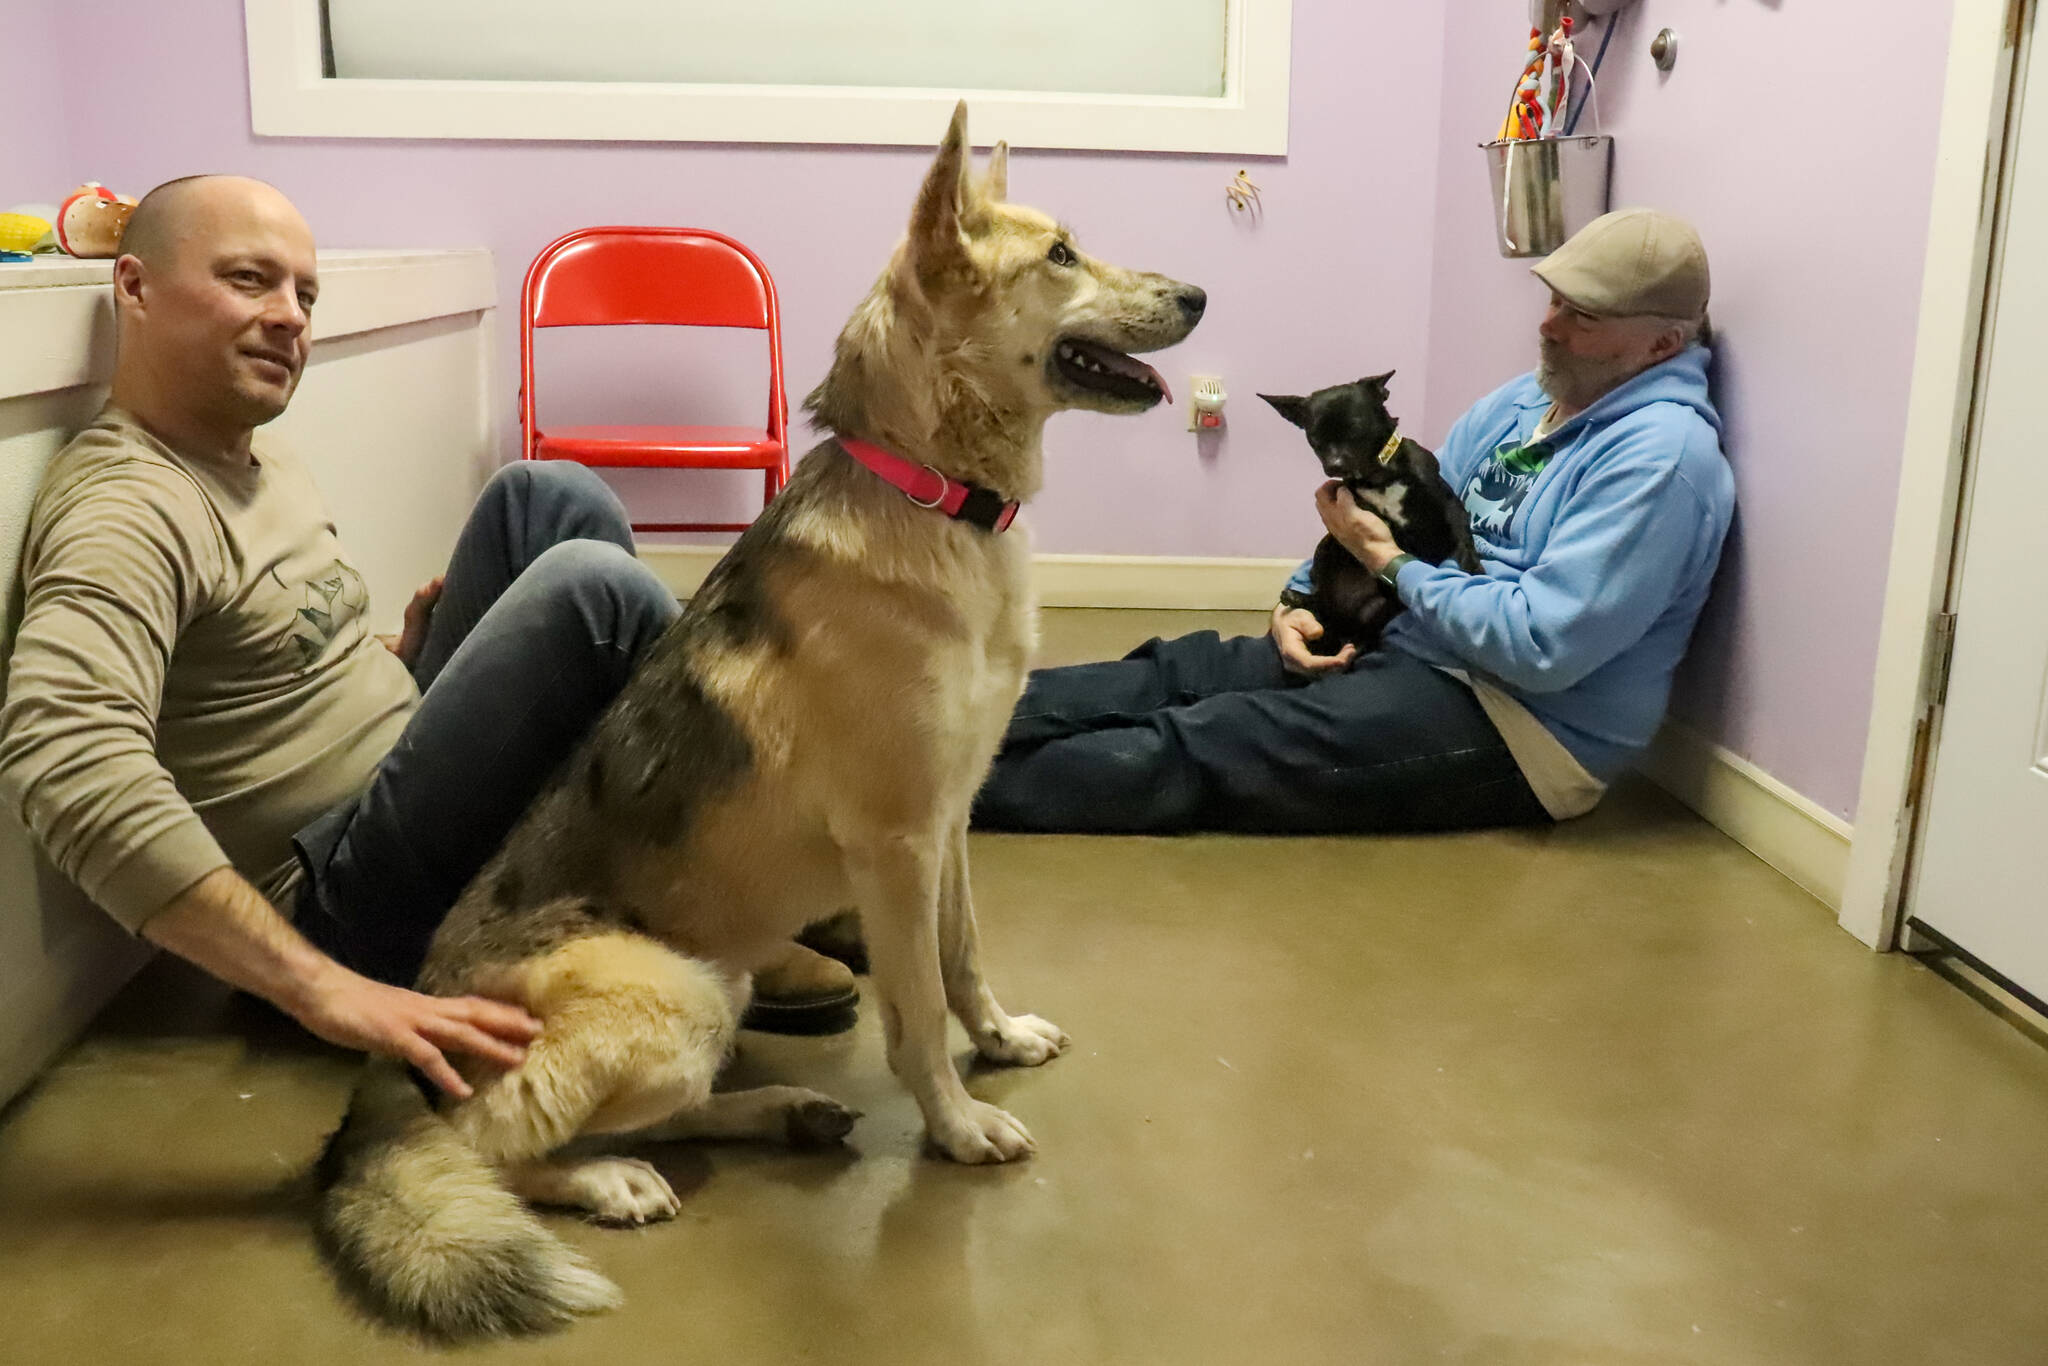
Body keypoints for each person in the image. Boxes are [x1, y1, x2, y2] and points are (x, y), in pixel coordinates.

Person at [0, 176, 851, 1098]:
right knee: (595, 597)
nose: (288, 317)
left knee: (543, 496)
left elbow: (259, 674)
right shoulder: (126, 505)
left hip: (384, 781)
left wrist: (402, 664)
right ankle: (712, 904)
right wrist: (321, 987)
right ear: (134, 288)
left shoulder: (246, 449)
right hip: (333, 908)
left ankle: (713, 863)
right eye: (249, 280)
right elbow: (64, 753)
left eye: (304, 294)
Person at [974, 208, 1735, 835]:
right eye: (1555, 300)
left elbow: (1541, 649)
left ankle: (912, 803)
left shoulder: (1663, 462)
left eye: (1584, 316)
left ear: (1662, 343)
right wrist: (1299, 605)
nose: (1551, 326)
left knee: (1208, 744)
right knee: (1182, 672)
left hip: (1518, 725)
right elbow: (1377, 497)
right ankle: (914, 742)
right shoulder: (1526, 400)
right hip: (1400, 640)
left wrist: (1393, 567)